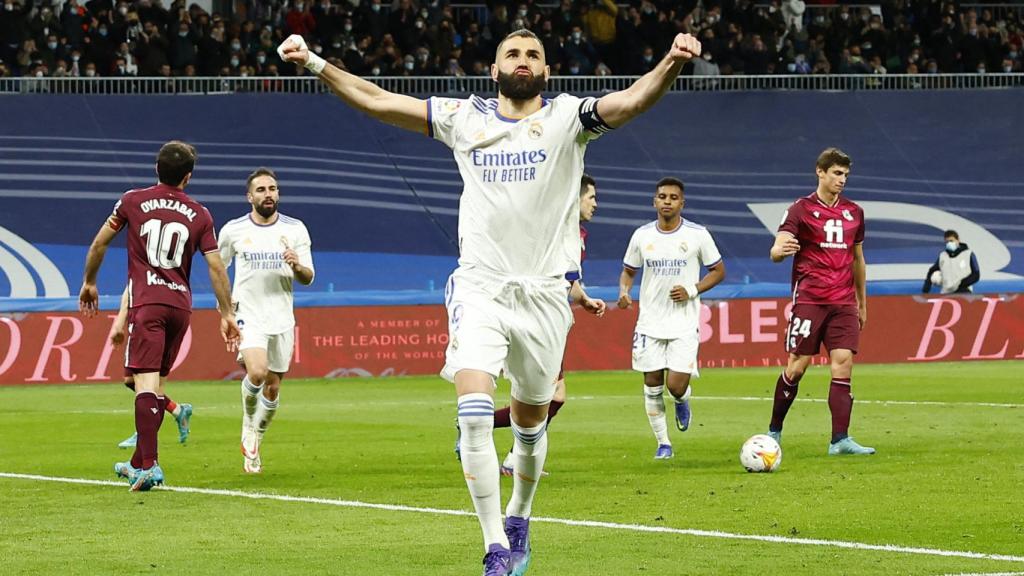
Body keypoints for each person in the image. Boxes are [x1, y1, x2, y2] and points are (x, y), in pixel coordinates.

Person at [276, 26, 701, 576]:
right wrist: (314, 61)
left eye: (533, 55)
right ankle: (495, 543)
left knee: (530, 421)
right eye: (512, 54)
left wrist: (670, 61)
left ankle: (521, 513)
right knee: (474, 412)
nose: (523, 61)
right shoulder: (464, 117)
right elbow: (380, 100)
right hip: (481, 285)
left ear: (546, 72)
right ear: (493, 70)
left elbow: (631, 100)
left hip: (546, 294)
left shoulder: (570, 118)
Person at [79, 140, 239, 491]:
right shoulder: (201, 214)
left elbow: (98, 244)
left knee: (144, 386)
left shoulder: (132, 201)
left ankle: (150, 466)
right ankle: (137, 462)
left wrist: (90, 282)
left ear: (156, 169)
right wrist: (226, 313)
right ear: (188, 177)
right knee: (152, 385)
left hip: (147, 303)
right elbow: (216, 267)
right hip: (181, 308)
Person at [489, 173, 606, 477]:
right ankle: (479, 423)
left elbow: (568, 279)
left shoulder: (575, 234)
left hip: (550, 317)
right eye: (591, 197)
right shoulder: (554, 229)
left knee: (545, 396)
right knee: (552, 396)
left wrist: (584, 299)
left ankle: (512, 454)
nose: (595, 203)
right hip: (535, 318)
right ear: (575, 197)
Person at [765, 147, 874, 456]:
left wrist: (862, 304)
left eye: (845, 175)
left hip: (843, 303)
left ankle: (840, 440)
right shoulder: (800, 209)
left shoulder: (854, 212)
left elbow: (858, 260)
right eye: (837, 173)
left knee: (843, 364)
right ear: (820, 172)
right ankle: (774, 431)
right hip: (810, 300)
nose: (842, 180)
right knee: (797, 366)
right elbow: (777, 248)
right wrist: (778, 252)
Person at [617, 177, 725, 460]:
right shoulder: (642, 236)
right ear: (654, 201)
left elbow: (718, 271)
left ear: (682, 203)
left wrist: (692, 289)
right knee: (652, 385)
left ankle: (682, 400)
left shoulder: (697, 234)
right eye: (662, 196)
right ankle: (663, 444)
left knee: (675, 385)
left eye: (673, 197)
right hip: (649, 322)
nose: (667, 201)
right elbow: (629, 270)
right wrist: (625, 292)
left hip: (684, 323)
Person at [218, 167, 315, 474]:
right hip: (249, 312)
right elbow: (218, 270)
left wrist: (296, 265)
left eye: (272, 189)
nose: (268, 194)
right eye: (260, 190)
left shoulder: (295, 229)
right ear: (250, 197)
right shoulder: (233, 230)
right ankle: (248, 424)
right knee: (257, 373)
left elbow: (308, 278)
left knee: (272, 388)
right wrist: (226, 312)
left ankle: (256, 437)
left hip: (282, 317)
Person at [108, 286, 193, 449]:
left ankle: (144, 438)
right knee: (133, 380)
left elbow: (131, 286)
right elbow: (130, 286)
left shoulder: (145, 265)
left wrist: (120, 321)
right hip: (162, 310)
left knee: (149, 381)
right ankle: (177, 410)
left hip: (151, 313)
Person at [922, 230, 980, 294]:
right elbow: (932, 270)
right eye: (947, 242)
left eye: (951, 241)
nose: (949, 244)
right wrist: (927, 286)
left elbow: (976, 274)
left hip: (964, 291)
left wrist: (961, 285)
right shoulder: (943, 256)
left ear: (958, 240)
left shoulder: (969, 254)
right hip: (946, 293)